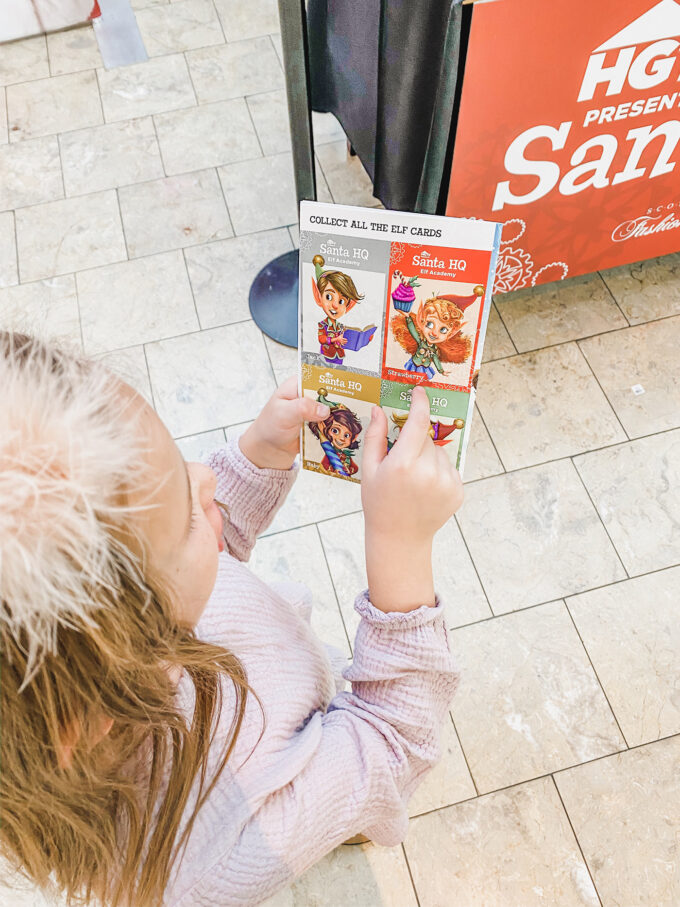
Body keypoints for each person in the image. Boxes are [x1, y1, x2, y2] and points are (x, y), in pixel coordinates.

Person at [0, 332, 462, 907]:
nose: (205, 476)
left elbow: (197, 562)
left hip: (286, 686)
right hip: (301, 774)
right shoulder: (219, 859)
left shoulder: (109, 644)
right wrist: (400, 546)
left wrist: (261, 453)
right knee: (355, 790)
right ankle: (350, 820)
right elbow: (391, 737)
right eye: (187, 512)